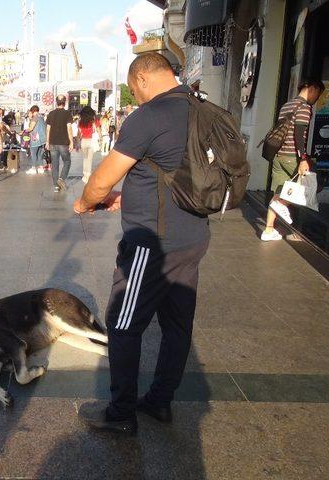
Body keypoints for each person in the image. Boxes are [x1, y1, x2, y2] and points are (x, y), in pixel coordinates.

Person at [73, 52, 210, 436]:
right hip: (194, 237)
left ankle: (120, 415)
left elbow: (102, 179)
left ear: (143, 79)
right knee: (177, 325)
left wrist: (86, 202)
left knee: (122, 324)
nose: (136, 98)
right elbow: (170, 174)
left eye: (134, 90)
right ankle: (160, 401)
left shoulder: (148, 117)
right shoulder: (202, 108)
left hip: (152, 246)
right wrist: (127, 198)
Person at [261, 79, 325, 241]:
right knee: (309, 188)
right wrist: (303, 158)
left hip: (279, 155)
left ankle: (268, 231)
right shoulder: (304, 107)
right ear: (312, 88)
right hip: (292, 157)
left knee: (278, 192)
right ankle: (291, 229)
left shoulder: (287, 105)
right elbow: (299, 135)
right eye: (318, 93)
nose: (316, 98)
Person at [46, 95, 74, 192]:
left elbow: (48, 129)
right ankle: (61, 178)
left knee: (55, 163)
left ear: (56, 102)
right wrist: (71, 142)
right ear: (65, 102)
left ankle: (56, 186)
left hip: (53, 142)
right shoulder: (67, 114)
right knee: (67, 161)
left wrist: (47, 142)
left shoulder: (51, 114)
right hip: (63, 142)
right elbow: (69, 128)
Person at [77, 106, 97, 183]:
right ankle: (88, 175)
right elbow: (98, 130)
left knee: (85, 158)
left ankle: (85, 175)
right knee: (90, 159)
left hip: (83, 141)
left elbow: (78, 133)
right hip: (91, 141)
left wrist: (77, 143)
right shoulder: (93, 121)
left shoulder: (80, 122)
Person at [25, 105, 47, 175]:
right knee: (39, 154)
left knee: (33, 153)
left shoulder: (35, 118)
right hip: (42, 138)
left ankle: (34, 168)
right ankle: (41, 168)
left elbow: (31, 128)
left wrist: (24, 131)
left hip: (35, 138)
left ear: (32, 111)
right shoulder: (41, 117)